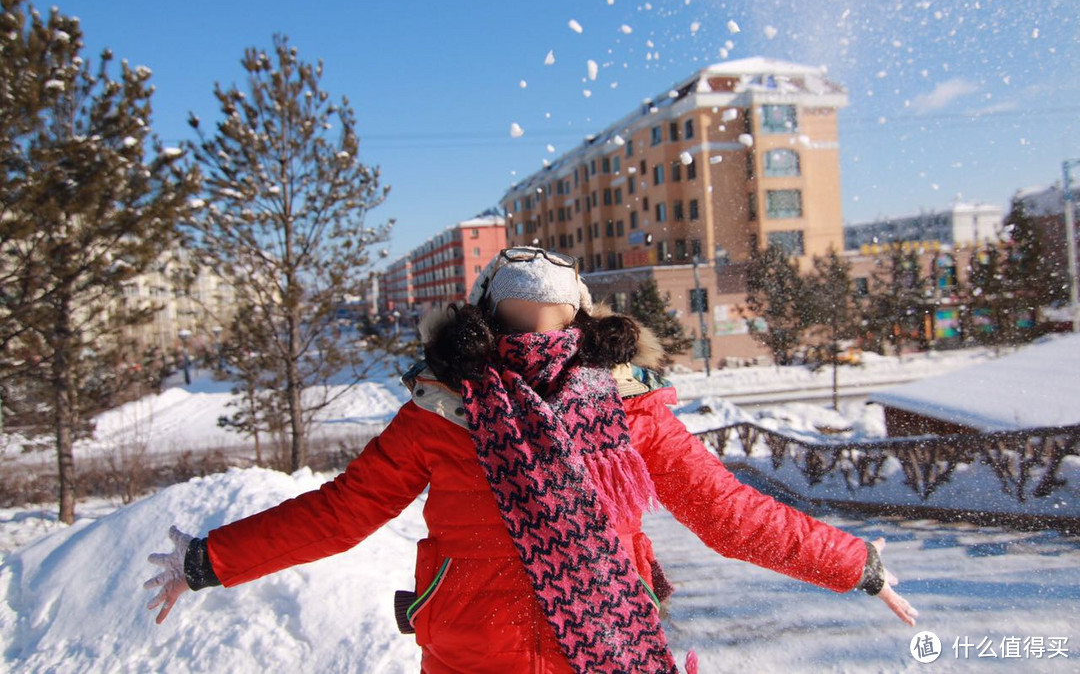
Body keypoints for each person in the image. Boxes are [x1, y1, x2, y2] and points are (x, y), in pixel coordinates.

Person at [145, 246, 918, 673]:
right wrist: (853, 562)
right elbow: (728, 514)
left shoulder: (443, 408)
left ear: (477, 313)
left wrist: (210, 560)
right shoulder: (625, 404)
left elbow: (340, 514)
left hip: (472, 657)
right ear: (590, 316)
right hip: (609, 651)